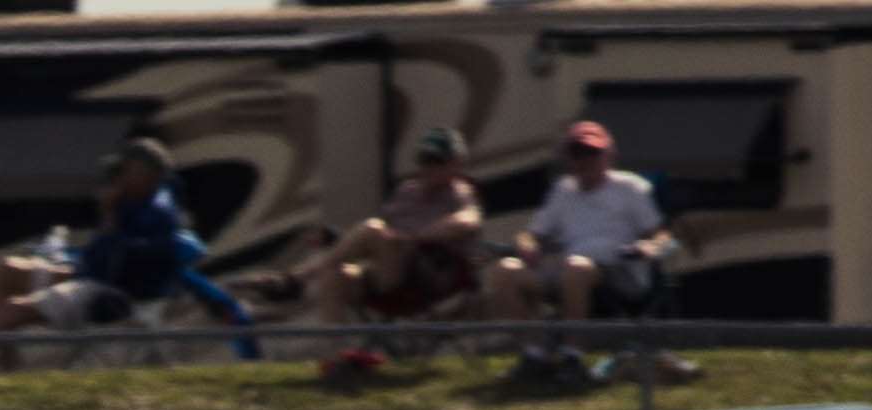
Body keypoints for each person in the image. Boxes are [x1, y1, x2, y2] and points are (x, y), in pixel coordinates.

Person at [0, 137, 249, 366]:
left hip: (111, 292)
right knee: (9, 271)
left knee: (16, 308)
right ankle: (6, 362)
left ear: (144, 175)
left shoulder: (155, 213)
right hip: (90, 272)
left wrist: (109, 215)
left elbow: (120, 261)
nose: (117, 178)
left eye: (125, 171)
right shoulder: (137, 200)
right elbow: (104, 253)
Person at [253, 127, 485, 328]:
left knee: (372, 229)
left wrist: (415, 236)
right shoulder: (408, 191)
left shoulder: (460, 192)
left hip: (424, 276)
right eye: (425, 160)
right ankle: (337, 361)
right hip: (386, 270)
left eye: (437, 161)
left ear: (455, 164)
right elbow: (376, 237)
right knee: (335, 275)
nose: (428, 167)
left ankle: (296, 279)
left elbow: (468, 220)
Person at [485, 118, 676, 321]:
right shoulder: (563, 191)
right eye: (578, 154)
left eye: (592, 153)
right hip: (566, 269)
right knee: (505, 270)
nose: (585, 160)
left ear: (608, 155)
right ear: (568, 158)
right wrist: (527, 245)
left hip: (617, 272)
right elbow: (531, 235)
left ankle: (573, 346)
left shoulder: (630, 188)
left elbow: (661, 235)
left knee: (576, 268)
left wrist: (649, 247)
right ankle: (532, 347)